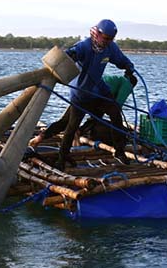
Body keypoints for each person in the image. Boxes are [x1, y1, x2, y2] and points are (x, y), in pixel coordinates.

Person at [55, 19, 136, 169]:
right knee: (72, 125)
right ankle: (62, 158)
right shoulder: (83, 46)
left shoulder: (110, 47)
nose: (107, 42)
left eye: (110, 39)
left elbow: (120, 59)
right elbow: (69, 55)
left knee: (115, 113)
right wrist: (69, 57)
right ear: (97, 34)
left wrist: (129, 68)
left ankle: (119, 152)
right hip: (81, 92)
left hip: (99, 90)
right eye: (105, 38)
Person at [30, 73, 135, 146]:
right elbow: (118, 105)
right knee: (96, 118)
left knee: (65, 121)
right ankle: (80, 131)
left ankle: (40, 137)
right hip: (95, 98)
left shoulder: (115, 78)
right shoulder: (127, 84)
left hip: (81, 93)